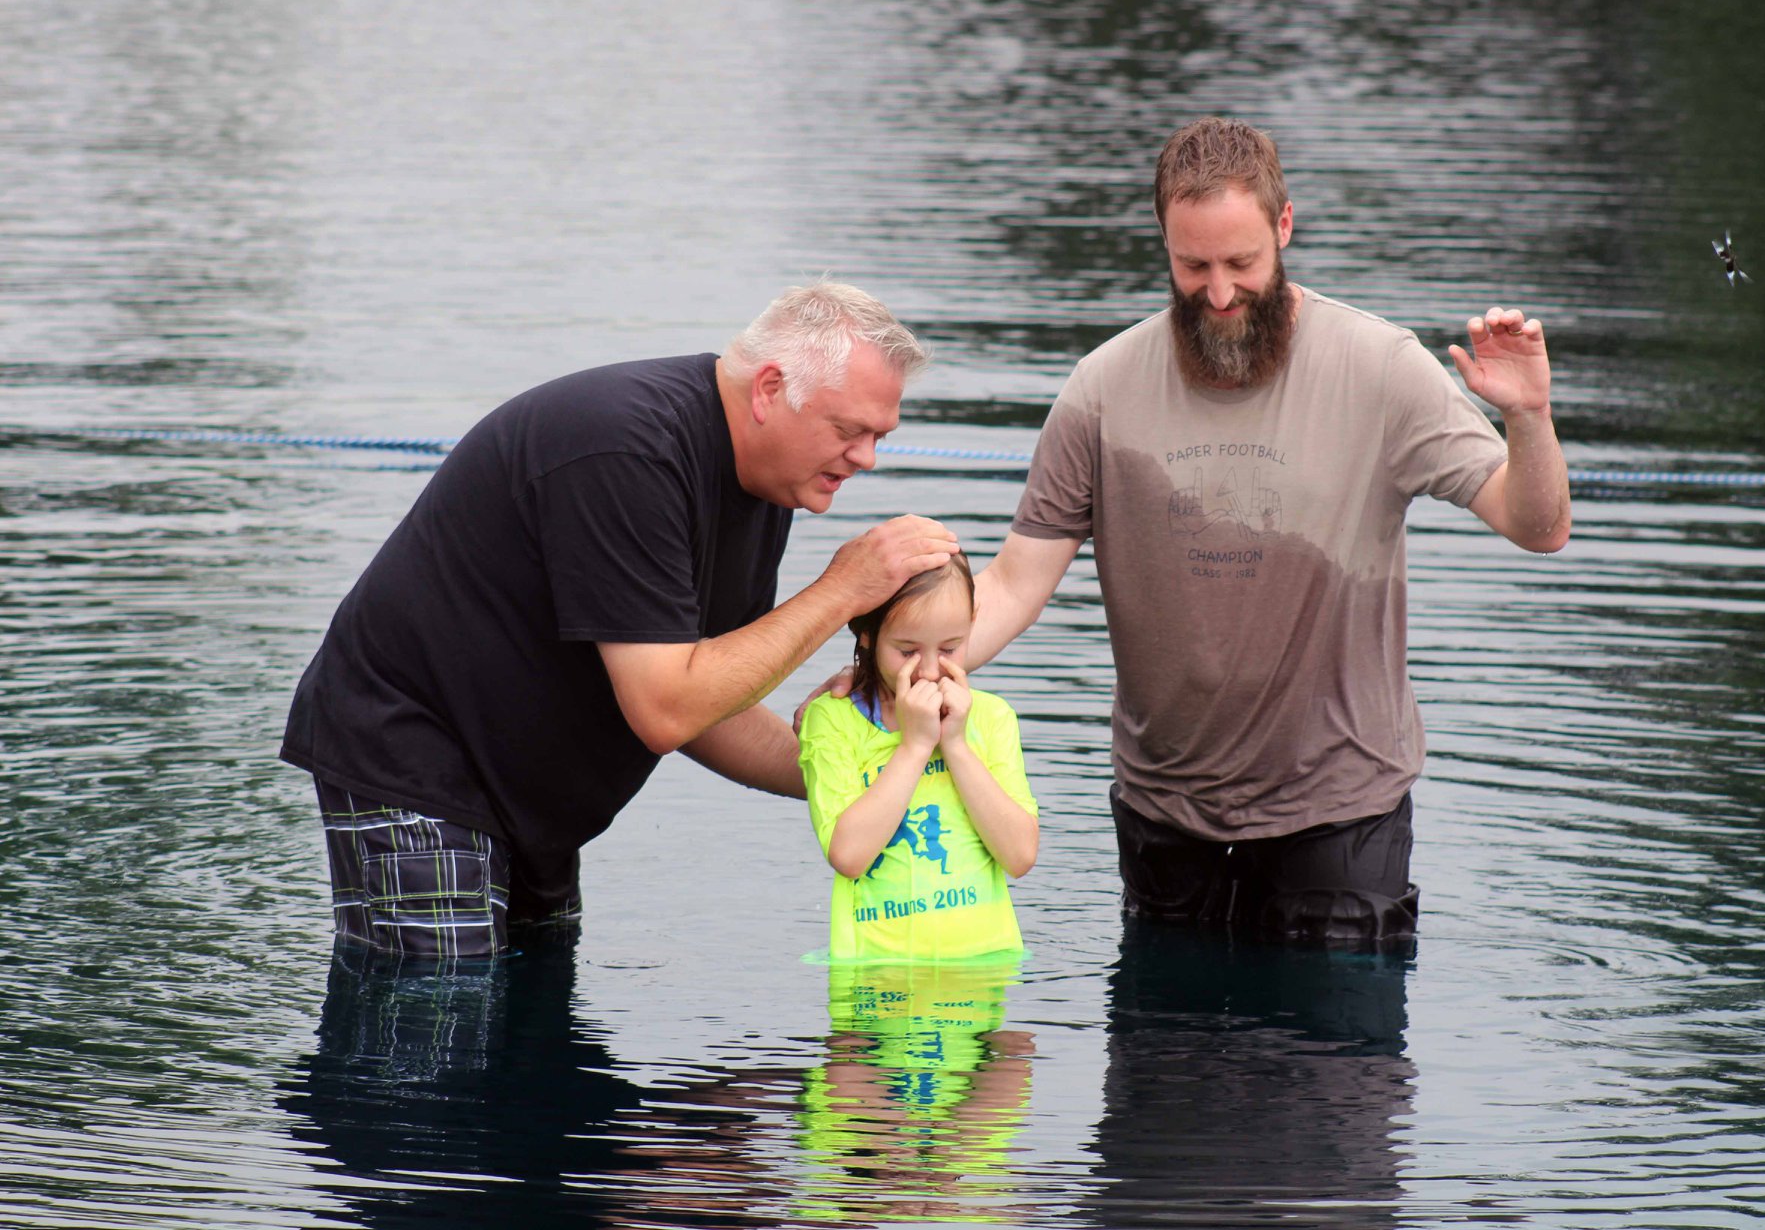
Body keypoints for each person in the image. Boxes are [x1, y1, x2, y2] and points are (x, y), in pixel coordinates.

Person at [966, 116, 1572, 949]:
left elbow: (1536, 526)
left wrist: (1530, 419)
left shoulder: (1381, 369)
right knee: (1165, 1078)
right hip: (1163, 816)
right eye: (1194, 265)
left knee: (1330, 1075)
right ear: (1163, 241)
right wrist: (890, 667)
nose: (1218, 292)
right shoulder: (1100, 392)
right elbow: (1010, 585)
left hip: (1341, 817)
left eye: (1242, 263)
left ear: (1284, 227)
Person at [281, 281, 960, 959]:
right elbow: (665, 709)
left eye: (880, 436)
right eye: (849, 430)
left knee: (530, 1006)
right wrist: (844, 588)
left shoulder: (768, 480)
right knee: (440, 1018)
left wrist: (866, 766)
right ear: (769, 389)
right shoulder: (626, 450)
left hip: (526, 789)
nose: (867, 457)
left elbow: (704, 700)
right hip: (415, 750)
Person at [798, 555, 1039, 961]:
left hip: (986, 965)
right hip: (872, 974)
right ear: (866, 633)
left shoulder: (992, 718)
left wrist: (957, 745)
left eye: (950, 647)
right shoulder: (831, 721)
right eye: (907, 650)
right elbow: (849, 856)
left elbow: (1019, 857)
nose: (929, 670)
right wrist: (913, 747)